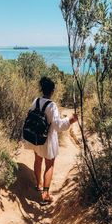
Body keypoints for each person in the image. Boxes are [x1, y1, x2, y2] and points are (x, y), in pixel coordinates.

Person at [25, 76, 78, 205]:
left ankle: (39, 184)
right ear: (52, 91)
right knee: (50, 165)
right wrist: (71, 120)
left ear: (42, 90)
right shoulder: (52, 105)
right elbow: (57, 125)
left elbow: (29, 114)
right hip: (47, 139)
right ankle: (45, 194)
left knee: (38, 160)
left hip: (36, 137)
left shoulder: (36, 101)